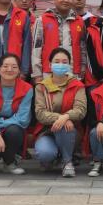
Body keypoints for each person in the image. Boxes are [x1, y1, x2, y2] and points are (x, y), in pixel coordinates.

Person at [33, 47, 87, 177]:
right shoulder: (41, 87)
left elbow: (81, 110)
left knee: (65, 126)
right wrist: (62, 118)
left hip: (70, 132)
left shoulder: (77, 85)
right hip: (47, 131)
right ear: (50, 65)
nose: (60, 65)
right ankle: (53, 156)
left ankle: (67, 161)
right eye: (57, 62)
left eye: (64, 62)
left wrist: (66, 117)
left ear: (69, 65)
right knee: (45, 154)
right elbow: (40, 113)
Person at [32, 0, 86, 83]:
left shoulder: (79, 21)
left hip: (73, 73)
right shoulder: (42, 20)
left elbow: (82, 48)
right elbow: (36, 48)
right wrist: (37, 74)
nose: (66, 0)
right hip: (48, 73)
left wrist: (82, 69)